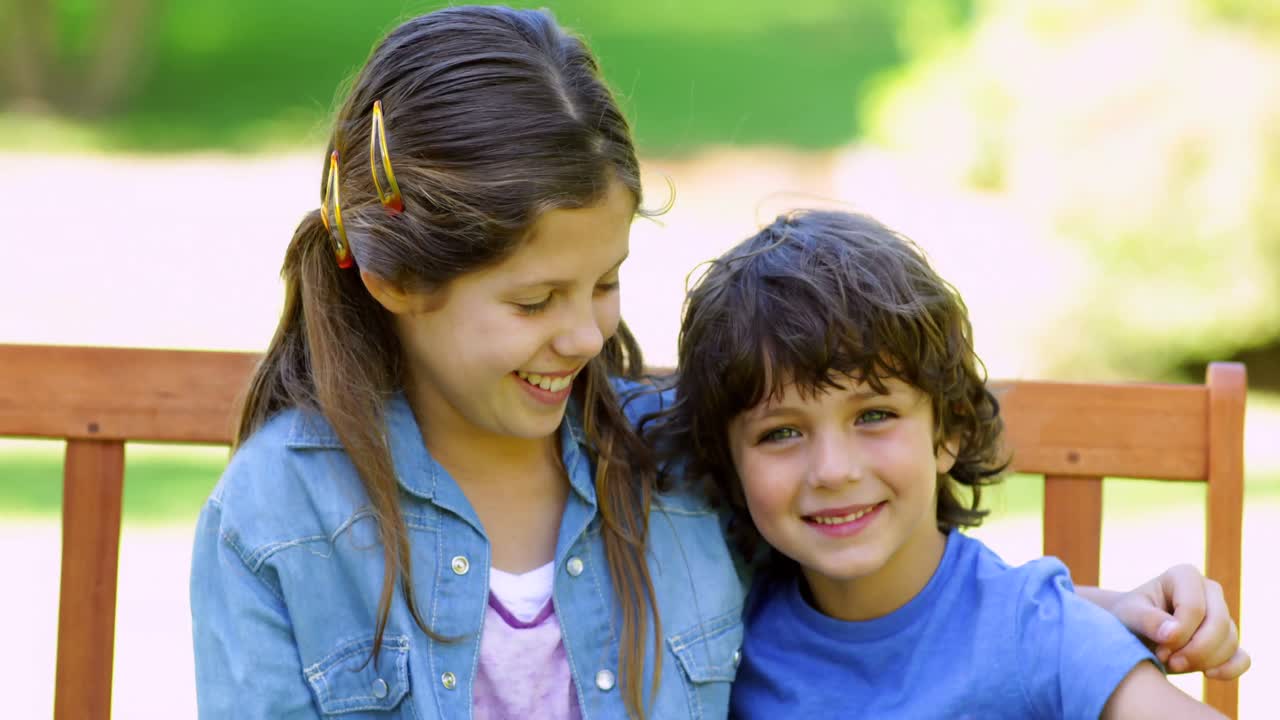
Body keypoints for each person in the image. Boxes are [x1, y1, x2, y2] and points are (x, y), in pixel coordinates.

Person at [191, 6, 1245, 719]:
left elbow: (873, 575)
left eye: (603, 283)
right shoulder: (280, 521)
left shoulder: (675, 465)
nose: (585, 335)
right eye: (533, 301)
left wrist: (1081, 617)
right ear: (393, 281)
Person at [649, 209, 1245, 719]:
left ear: (950, 430)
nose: (832, 469)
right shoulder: (718, 632)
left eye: (875, 415)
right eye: (781, 432)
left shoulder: (1039, 628)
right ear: (726, 462)